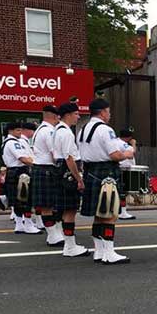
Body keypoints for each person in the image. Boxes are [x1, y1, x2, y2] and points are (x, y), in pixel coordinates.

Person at [78, 98, 134, 264]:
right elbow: (115, 155)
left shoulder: (83, 129)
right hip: (106, 172)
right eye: (108, 112)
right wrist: (127, 155)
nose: (109, 115)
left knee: (98, 214)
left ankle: (99, 251)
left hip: (90, 171)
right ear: (102, 112)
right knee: (110, 213)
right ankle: (109, 253)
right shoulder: (105, 130)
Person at [53, 102, 88, 257]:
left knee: (66, 209)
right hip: (67, 171)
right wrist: (79, 178)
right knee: (70, 210)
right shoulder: (66, 133)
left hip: (59, 169)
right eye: (76, 114)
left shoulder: (56, 130)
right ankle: (70, 246)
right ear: (68, 114)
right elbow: (69, 158)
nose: (78, 116)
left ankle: (69, 244)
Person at [30, 106, 65, 246]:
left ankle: (53, 234)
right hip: (47, 169)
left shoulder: (39, 129)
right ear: (55, 116)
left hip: (41, 168)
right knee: (49, 205)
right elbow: (55, 153)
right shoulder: (49, 131)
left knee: (48, 205)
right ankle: (53, 234)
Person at [2, 122, 40, 234]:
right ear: (11, 131)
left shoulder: (7, 142)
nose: (20, 132)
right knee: (26, 199)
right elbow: (23, 159)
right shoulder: (13, 143)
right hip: (20, 171)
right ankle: (28, 224)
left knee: (17, 200)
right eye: (18, 130)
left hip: (13, 171)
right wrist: (38, 165)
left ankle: (19, 225)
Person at [117, 128, 137, 220]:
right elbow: (132, 153)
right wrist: (133, 144)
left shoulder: (115, 142)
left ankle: (119, 211)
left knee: (118, 191)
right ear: (128, 137)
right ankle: (123, 212)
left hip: (118, 169)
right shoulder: (123, 144)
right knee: (122, 192)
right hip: (123, 170)